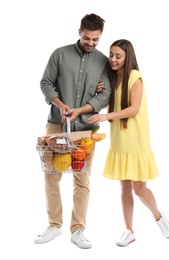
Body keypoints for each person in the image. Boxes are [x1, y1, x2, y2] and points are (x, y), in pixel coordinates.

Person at [34, 13, 111, 249]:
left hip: (85, 129)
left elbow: (105, 94)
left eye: (95, 40)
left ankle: (78, 230)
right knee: (51, 175)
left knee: (82, 178)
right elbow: (45, 82)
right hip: (57, 123)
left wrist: (81, 110)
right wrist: (60, 104)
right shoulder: (60, 54)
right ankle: (54, 225)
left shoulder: (103, 63)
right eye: (87, 38)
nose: (90, 43)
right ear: (79, 32)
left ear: (100, 37)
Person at [88, 39, 169, 246]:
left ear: (128, 57)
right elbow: (112, 100)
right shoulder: (113, 78)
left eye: (118, 56)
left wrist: (106, 117)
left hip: (135, 140)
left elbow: (133, 109)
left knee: (140, 189)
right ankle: (129, 230)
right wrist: (101, 89)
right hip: (119, 141)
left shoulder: (135, 77)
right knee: (125, 189)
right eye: (111, 55)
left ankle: (158, 216)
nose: (113, 59)